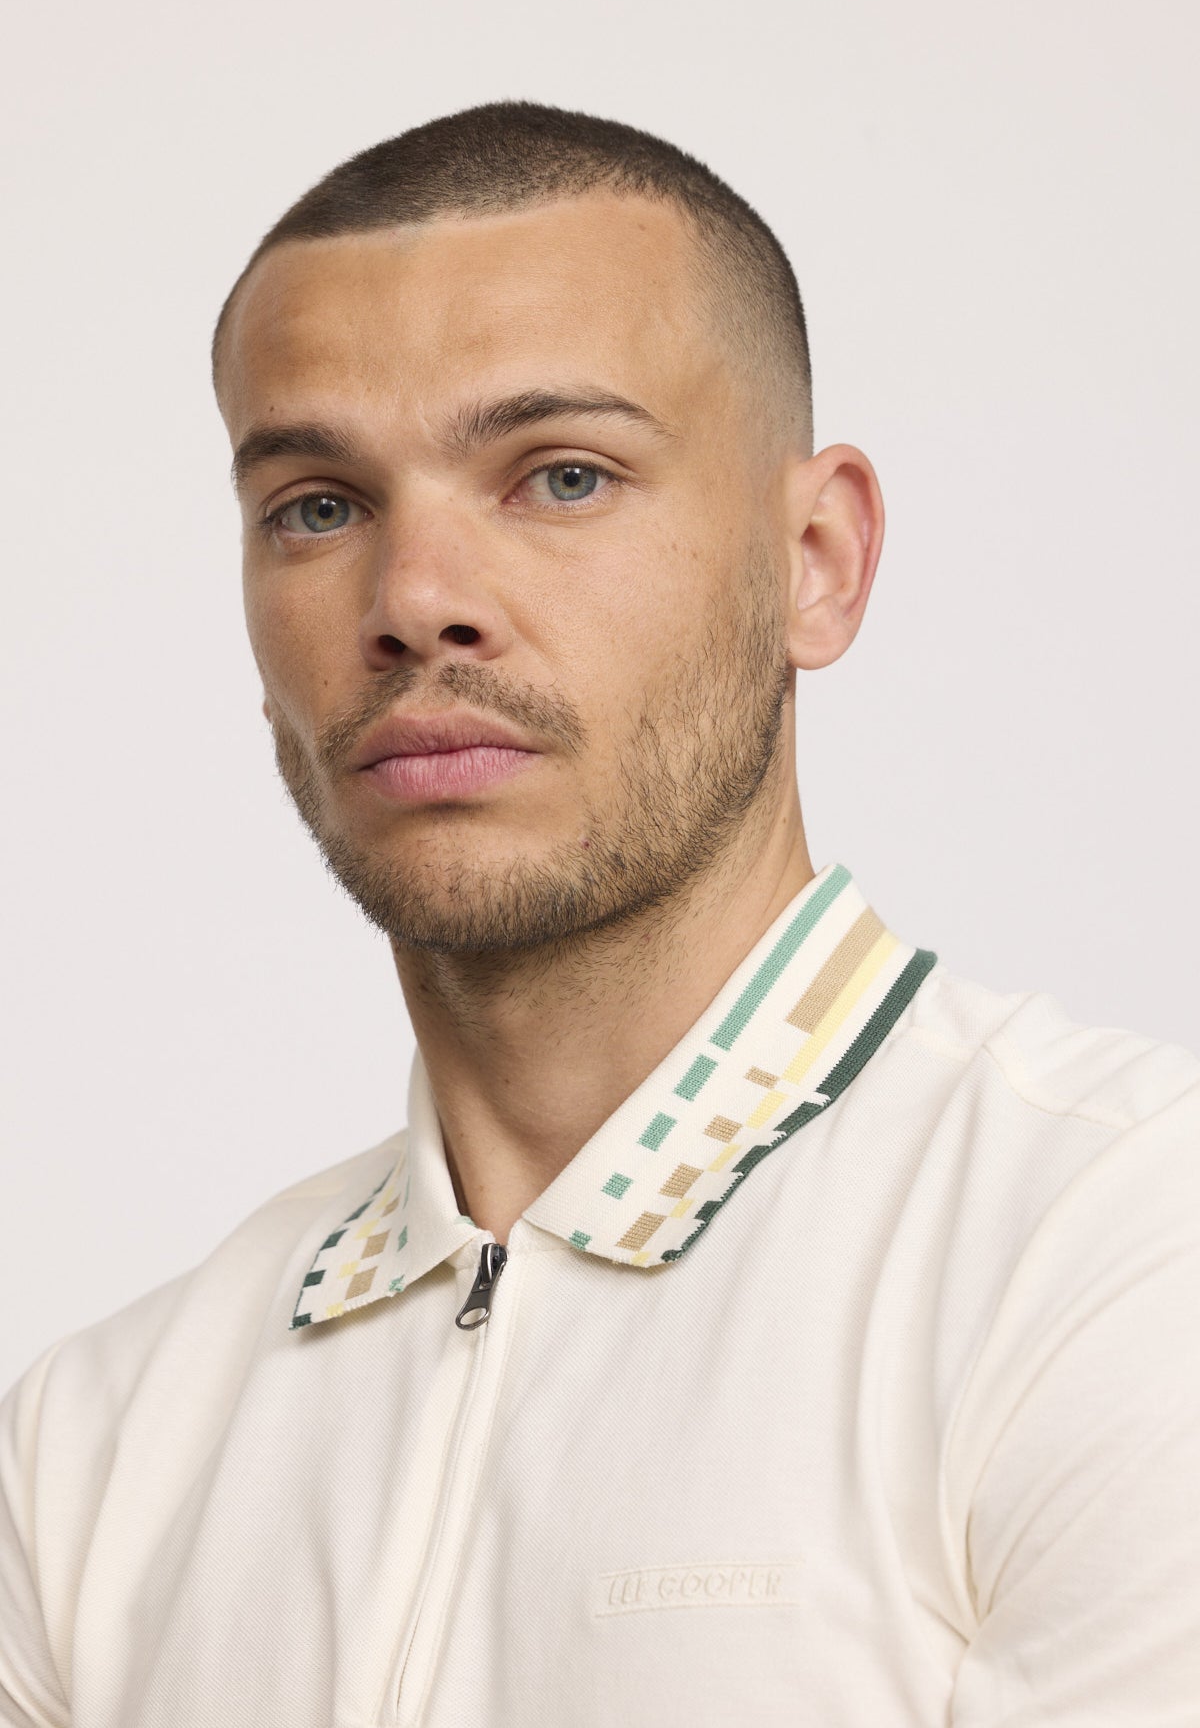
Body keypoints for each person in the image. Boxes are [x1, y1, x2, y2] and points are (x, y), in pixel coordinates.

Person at [1, 100, 1197, 1728]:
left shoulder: (1119, 1253)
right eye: (318, 505)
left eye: (562, 476)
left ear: (817, 559)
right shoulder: (93, 1450)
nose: (417, 600)